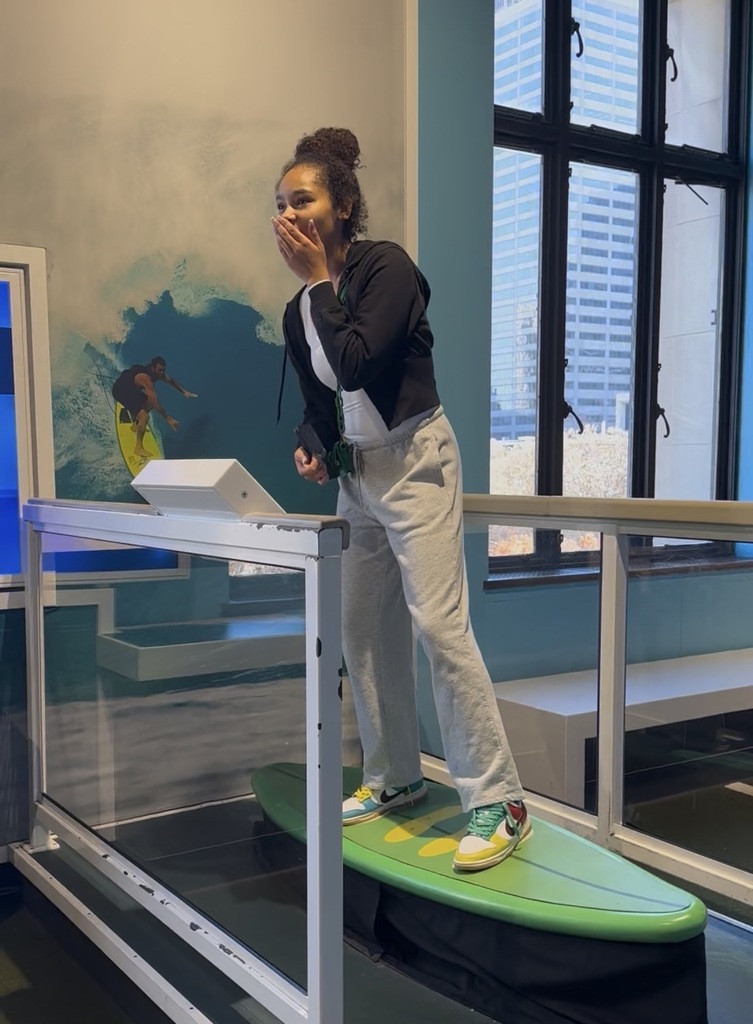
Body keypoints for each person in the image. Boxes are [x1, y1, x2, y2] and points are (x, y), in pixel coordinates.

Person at [273, 127, 530, 872]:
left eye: (303, 200)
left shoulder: (386, 268)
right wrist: (313, 446)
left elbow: (356, 363)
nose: (289, 215)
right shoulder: (298, 309)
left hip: (417, 463)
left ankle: (501, 799)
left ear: (343, 206)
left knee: (439, 629)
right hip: (358, 477)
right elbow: (324, 400)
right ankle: (394, 776)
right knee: (360, 631)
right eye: (280, 204)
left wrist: (318, 282)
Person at [111, 356, 197, 458]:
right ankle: (138, 448)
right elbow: (155, 401)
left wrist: (184, 391)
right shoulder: (146, 378)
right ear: (153, 367)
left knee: (148, 404)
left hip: (132, 388)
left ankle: (136, 425)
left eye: (163, 370)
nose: (162, 372)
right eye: (160, 370)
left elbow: (171, 381)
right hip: (120, 391)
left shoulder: (157, 373)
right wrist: (168, 418)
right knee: (145, 416)